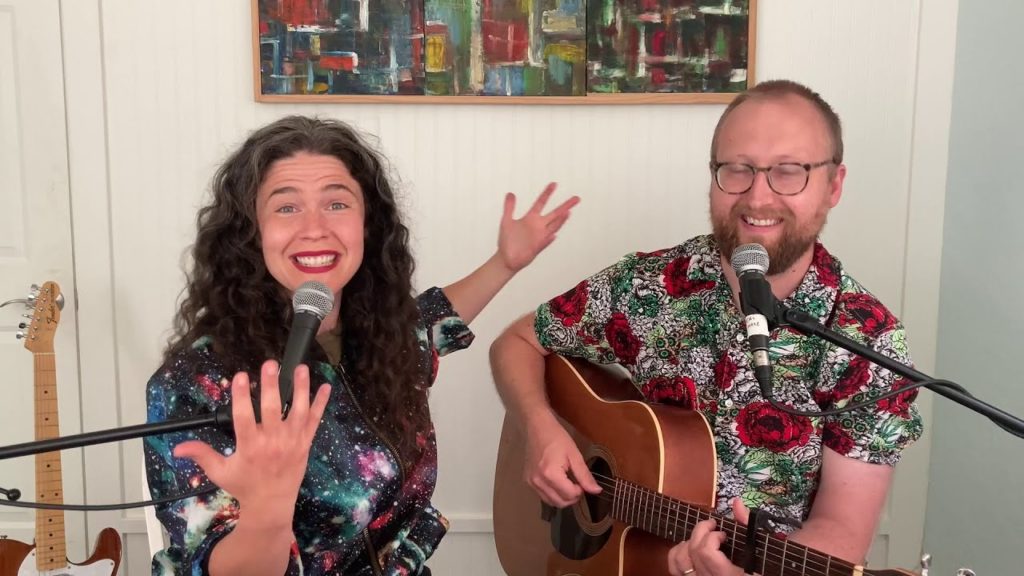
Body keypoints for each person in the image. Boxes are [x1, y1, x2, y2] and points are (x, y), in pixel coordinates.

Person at [489, 79, 924, 576]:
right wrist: (539, 427)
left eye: (789, 172)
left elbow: (842, 534)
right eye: (735, 170)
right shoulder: (646, 284)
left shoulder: (868, 341)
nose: (758, 197)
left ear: (834, 185)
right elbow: (517, 342)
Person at [143, 115, 579, 576]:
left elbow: (433, 320)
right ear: (251, 231)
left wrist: (505, 263)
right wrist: (267, 507)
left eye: (337, 204)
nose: (315, 228)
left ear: (367, 226)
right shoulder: (194, 383)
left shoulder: (381, 336)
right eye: (287, 207)